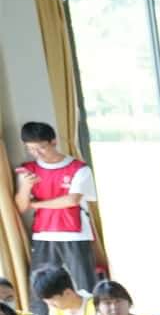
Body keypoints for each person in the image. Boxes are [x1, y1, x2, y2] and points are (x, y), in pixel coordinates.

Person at [13, 122, 97, 297]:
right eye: (31, 149)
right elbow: (20, 207)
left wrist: (37, 204)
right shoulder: (28, 170)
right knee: (41, 289)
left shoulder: (79, 169)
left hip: (75, 234)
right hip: (43, 234)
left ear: (53, 142)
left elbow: (72, 200)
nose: (37, 153)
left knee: (85, 287)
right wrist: (26, 187)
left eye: (41, 148)